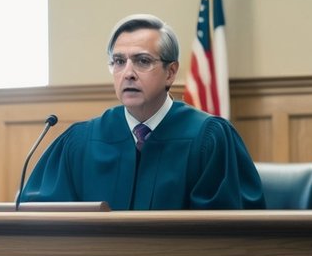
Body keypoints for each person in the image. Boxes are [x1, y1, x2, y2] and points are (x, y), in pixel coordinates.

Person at [22, 13, 265, 209]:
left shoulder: (208, 138)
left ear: (170, 72)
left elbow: (229, 235)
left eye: (142, 61)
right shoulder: (80, 141)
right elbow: (42, 220)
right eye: (119, 61)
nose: (128, 72)